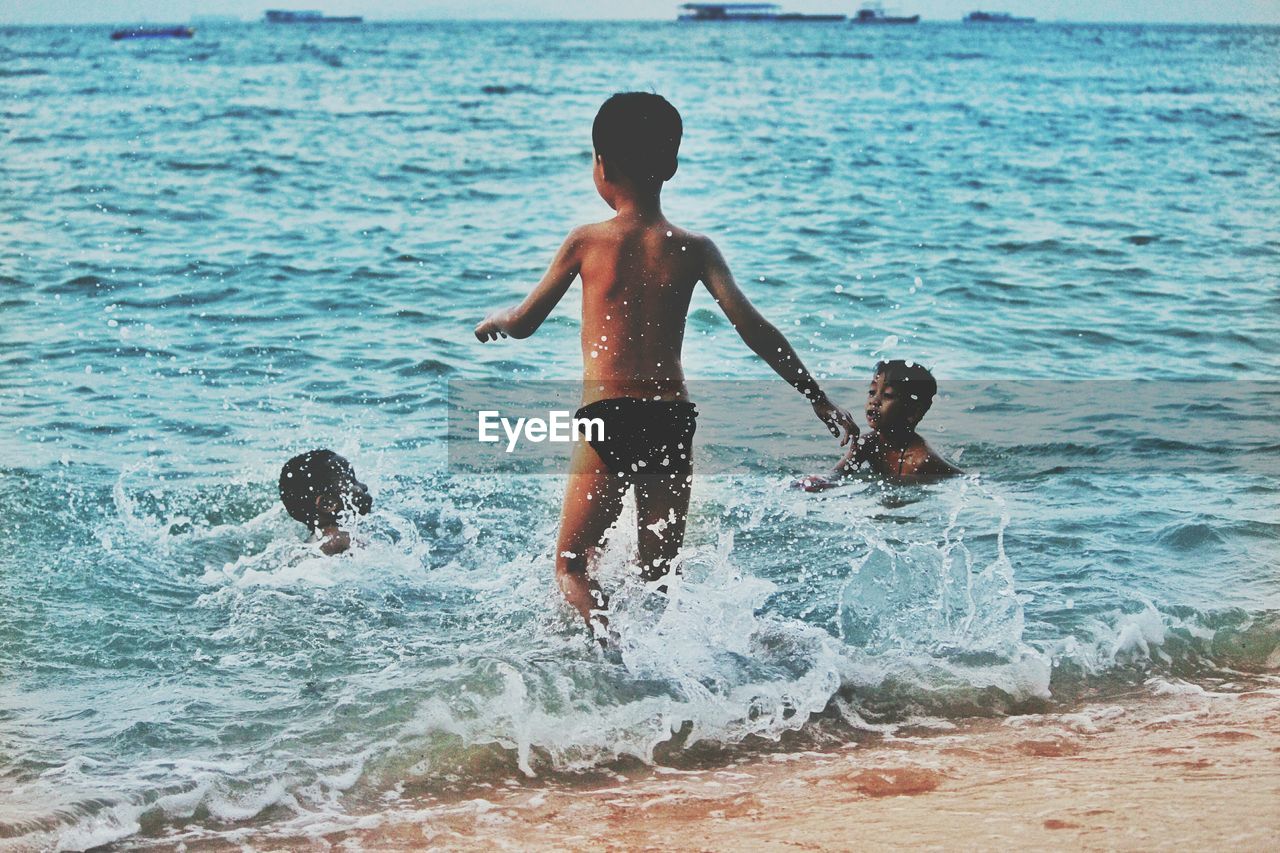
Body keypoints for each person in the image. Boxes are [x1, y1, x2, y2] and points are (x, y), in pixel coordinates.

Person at [474, 92, 856, 639]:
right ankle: (667, 681)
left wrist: (497, 321)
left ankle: (613, 659)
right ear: (670, 165)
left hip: (608, 416)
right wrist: (816, 396)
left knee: (572, 566)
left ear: (601, 164)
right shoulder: (696, 248)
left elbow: (526, 321)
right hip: (671, 421)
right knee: (656, 578)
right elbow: (756, 331)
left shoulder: (586, 240)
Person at [796, 360, 961, 490]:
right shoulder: (868, 443)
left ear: (913, 413)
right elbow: (836, 474)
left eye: (888, 395)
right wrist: (818, 481)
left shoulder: (920, 461)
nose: (874, 401)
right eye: (872, 392)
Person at [278, 449, 373, 555]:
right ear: (327, 504)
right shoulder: (344, 538)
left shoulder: (310, 544)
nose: (364, 486)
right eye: (351, 481)